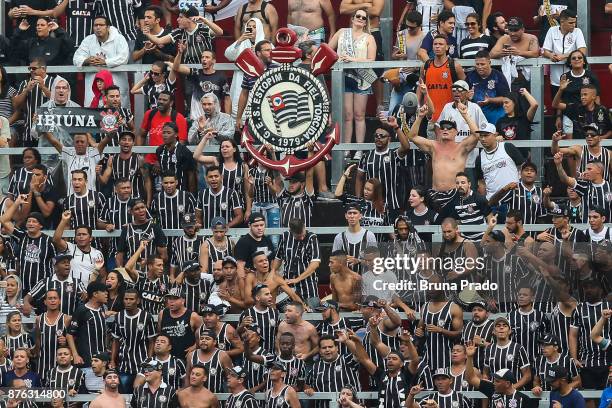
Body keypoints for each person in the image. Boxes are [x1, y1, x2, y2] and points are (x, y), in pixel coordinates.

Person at [327, 9, 377, 160]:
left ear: (366, 21)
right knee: (347, 115)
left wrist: (353, 60)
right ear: (353, 18)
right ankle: (347, 148)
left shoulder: (369, 38)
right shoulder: (342, 32)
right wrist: (338, 59)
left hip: (362, 79)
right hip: (345, 77)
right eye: (358, 16)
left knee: (359, 115)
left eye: (364, 17)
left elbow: (371, 60)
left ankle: (360, 149)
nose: (361, 19)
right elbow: (328, 50)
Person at [0, 196, 56, 294]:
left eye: (34, 221)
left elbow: (56, 264)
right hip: (24, 289)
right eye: (29, 221)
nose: (30, 223)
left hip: (44, 291)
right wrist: (17, 203)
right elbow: (4, 220)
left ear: (41, 225)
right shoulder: (21, 236)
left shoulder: (49, 241)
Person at [73, 16, 129, 108]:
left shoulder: (119, 39)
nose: (98, 27)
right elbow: (76, 58)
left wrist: (105, 62)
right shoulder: (88, 40)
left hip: (116, 82)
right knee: (92, 114)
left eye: (101, 25)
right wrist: (87, 60)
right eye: (95, 25)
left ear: (108, 27)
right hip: (93, 83)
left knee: (118, 114)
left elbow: (124, 57)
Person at [438, 79, 487, 185]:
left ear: (467, 92)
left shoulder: (475, 108)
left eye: (460, 90)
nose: (456, 92)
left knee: (469, 191)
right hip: (451, 161)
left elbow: (484, 129)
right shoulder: (447, 107)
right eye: (454, 90)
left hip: (470, 161)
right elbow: (438, 127)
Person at [110, 289, 157, 393]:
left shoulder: (146, 317)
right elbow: (116, 340)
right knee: (125, 396)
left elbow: (151, 341)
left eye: (131, 299)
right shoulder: (119, 316)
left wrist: (149, 360)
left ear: (138, 301)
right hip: (124, 364)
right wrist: (112, 360)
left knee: (141, 394)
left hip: (142, 363)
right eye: (126, 299)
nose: (128, 301)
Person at [465, 342, 538, 407]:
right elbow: (470, 378)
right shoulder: (492, 389)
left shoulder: (524, 399)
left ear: (507, 383)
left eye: (497, 381)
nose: (494, 383)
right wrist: (469, 357)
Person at [145, 6, 223, 65]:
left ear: (190, 19)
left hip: (205, 68)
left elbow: (220, 32)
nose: (177, 19)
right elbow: (159, 41)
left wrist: (205, 20)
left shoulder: (202, 28)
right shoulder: (179, 32)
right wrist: (148, 34)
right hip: (188, 70)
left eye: (181, 17)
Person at [39, 130, 109, 194]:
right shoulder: (69, 155)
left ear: (87, 144)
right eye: (77, 142)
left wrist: (113, 130)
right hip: (72, 200)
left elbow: (104, 142)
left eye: (82, 142)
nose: (79, 144)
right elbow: (54, 142)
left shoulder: (93, 155)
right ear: (74, 144)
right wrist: (41, 127)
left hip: (90, 199)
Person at [272, 218, 321, 309]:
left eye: (302, 235)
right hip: (289, 287)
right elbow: (278, 258)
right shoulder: (285, 236)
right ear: (291, 231)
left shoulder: (312, 237)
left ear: (304, 227)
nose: (302, 238)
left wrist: (297, 279)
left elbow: (315, 263)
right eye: (298, 237)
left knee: (313, 315)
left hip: (308, 287)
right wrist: (272, 273)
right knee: (291, 318)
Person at [417, 37, 466, 123]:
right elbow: (420, 87)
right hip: (429, 116)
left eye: (441, 44)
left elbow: (465, 88)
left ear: (447, 47)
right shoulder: (425, 66)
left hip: (449, 117)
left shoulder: (455, 66)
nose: (437, 46)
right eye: (435, 44)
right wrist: (417, 105)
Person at [172, 48, 230, 119]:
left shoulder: (221, 76)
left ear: (213, 61)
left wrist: (228, 118)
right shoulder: (195, 73)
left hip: (214, 119)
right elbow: (176, 67)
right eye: (202, 57)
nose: (204, 59)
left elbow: (227, 98)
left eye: (207, 57)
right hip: (196, 119)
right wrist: (180, 53)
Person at [138, 91, 188, 171]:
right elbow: (141, 135)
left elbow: (181, 143)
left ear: (171, 103)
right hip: (149, 161)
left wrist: (162, 160)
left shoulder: (178, 118)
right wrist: (139, 155)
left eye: (164, 100)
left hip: (169, 162)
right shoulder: (149, 114)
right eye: (159, 99)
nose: (161, 102)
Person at [225, 18, 265, 118]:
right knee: (238, 106)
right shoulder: (242, 43)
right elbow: (228, 55)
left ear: (259, 28)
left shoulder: (265, 44)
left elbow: (271, 61)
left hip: (259, 80)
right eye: (249, 27)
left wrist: (258, 54)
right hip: (241, 78)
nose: (251, 29)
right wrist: (239, 40)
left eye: (254, 27)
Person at [554, 50, 601, 135]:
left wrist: (595, 115)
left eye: (580, 57)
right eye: (573, 58)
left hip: (587, 113)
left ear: (583, 61)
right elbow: (561, 99)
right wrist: (558, 117)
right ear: (570, 62)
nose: (577, 59)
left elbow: (596, 97)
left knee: (588, 139)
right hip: (569, 112)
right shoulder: (565, 77)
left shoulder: (591, 76)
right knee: (570, 145)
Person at [542, 9, 587, 98]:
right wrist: (551, 55)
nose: (573, 25)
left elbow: (582, 51)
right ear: (562, 21)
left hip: (574, 78)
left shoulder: (577, 31)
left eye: (574, 22)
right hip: (555, 79)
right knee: (557, 108)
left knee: (574, 106)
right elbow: (545, 51)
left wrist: (564, 56)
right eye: (571, 23)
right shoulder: (552, 30)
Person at [66, 281, 107, 377]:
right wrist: (75, 355)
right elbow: (69, 334)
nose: (106, 294)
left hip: (103, 362)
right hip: (87, 361)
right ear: (95, 294)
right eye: (104, 292)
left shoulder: (102, 310)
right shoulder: (81, 310)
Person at [475, 123, 526, 200]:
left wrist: (521, 186)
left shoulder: (507, 147)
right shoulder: (480, 158)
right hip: (493, 200)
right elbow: (481, 182)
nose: (482, 139)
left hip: (514, 197)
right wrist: (485, 200)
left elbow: (523, 167)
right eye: (481, 136)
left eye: (486, 135)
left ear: (495, 135)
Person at [389, 11, 425, 112]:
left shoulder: (425, 37)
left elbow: (427, 60)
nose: (409, 29)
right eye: (407, 26)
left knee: (413, 112)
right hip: (400, 79)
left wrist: (415, 67)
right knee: (392, 111)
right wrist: (395, 56)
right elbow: (394, 54)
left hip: (416, 80)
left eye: (412, 27)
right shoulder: (401, 34)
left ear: (420, 26)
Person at [13, 57, 54, 147]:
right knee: (30, 158)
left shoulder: (54, 82)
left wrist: (43, 87)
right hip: (29, 130)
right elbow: (16, 104)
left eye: (34, 68)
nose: (31, 70)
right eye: (29, 68)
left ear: (43, 69)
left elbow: (59, 101)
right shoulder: (24, 83)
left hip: (50, 131)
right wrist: (26, 90)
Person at [158, 286, 202, 362]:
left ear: (183, 300)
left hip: (185, 357)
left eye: (175, 298)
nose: (171, 301)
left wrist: (195, 346)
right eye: (169, 298)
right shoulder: (162, 313)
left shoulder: (192, 316)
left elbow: (204, 334)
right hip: (167, 358)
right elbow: (159, 333)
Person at [466, 50, 511, 125]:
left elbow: (506, 99)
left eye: (482, 64)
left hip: (495, 112)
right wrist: (468, 97)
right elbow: (463, 96)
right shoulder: (470, 76)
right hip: (476, 112)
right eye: (477, 64)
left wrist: (490, 100)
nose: (480, 67)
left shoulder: (498, 76)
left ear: (489, 63)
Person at [332, 204, 377, 273]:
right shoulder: (339, 237)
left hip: (365, 279)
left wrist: (358, 261)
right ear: (346, 216)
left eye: (355, 213)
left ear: (360, 216)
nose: (352, 216)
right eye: (350, 213)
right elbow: (333, 262)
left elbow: (375, 261)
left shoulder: (369, 235)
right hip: (345, 280)